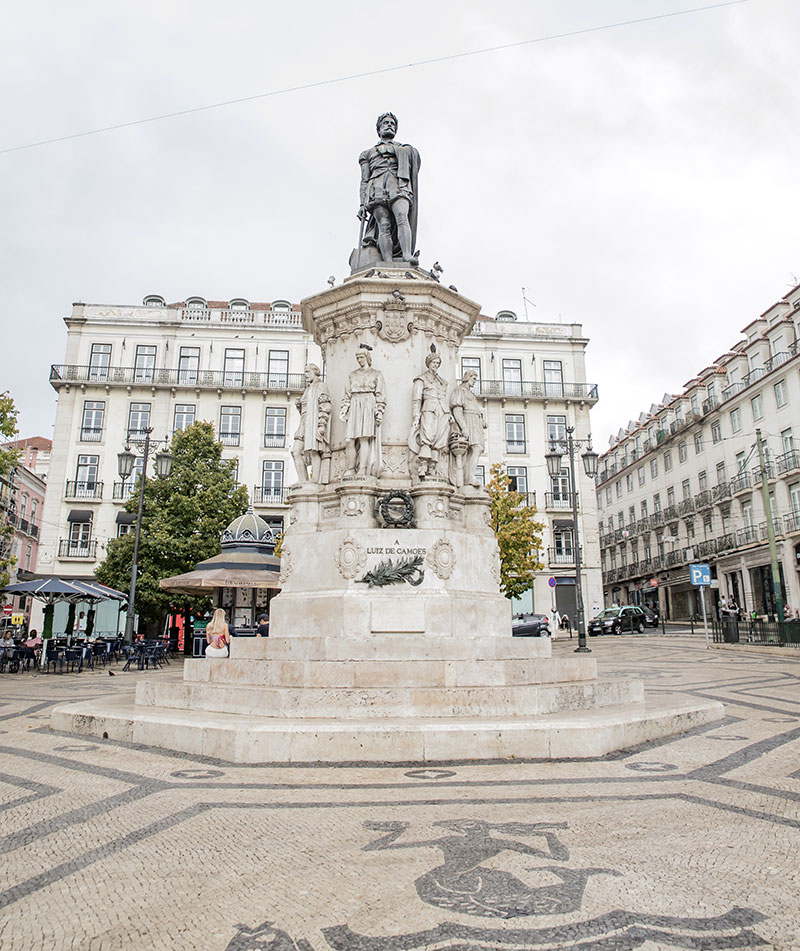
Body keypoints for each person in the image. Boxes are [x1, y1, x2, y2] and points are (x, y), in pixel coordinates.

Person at [357, 112, 421, 266]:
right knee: (383, 225)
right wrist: (361, 203)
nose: (389, 125)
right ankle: (387, 261)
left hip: (399, 184)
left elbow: (415, 162)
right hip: (376, 187)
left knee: (402, 216)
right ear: (379, 129)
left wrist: (405, 153)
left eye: (392, 123)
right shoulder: (367, 153)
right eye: (386, 123)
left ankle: (406, 255)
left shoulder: (403, 149)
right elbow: (364, 180)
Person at [339, 346, 386, 478]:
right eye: (357, 357)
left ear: (367, 357)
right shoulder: (352, 375)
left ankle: (362, 469)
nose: (359, 360)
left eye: (361, 357)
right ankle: (350, 468)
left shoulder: (376, 374)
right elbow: (346, 394)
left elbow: (380, 394)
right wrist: (344, 408)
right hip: (354, 403)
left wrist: (379, 410)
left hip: (368, 403)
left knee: (364, 438)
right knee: (349, 440)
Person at [409, 351, 451, 479]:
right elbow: (416, 399)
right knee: (427, 436)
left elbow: (443, 398)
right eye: (434, 362)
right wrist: (416, 416)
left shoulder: (442, 382)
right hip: (428, 409)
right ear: (428, 363)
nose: (436, 365)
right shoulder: (421, 379)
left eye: (438, 363)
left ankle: (432, 466)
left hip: (442, 411)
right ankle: (422, 465)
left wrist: (449, 413)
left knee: (439, 439)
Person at [291, 364, 331, 483]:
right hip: (304, 423)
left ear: (315, 372)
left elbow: (325, 405)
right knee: (295, 451)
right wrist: (299, 405)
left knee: (314, 450)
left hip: (313, 423)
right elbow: (304, 410)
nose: (306, 375)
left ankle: (314, 479)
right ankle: (303, 479)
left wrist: (322, 425)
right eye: (305, 372)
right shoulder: (308, 389)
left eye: (308, 372)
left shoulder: (321, 386)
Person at [449, 369, 487, 487]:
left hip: (475, 422)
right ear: (467, 377)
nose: (475, 381)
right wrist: (463, 427)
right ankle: (468, 478)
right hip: (468, 421)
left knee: (477, 449)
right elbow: (457, 409)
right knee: (474, 449)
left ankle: (469, 478)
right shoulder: (460, 390)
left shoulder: (471, 394)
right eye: (473, 378)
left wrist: (481, 421)